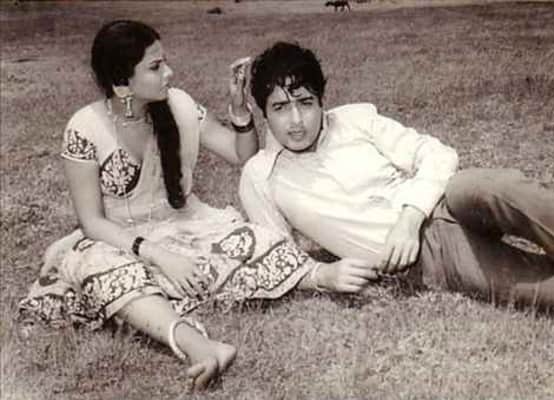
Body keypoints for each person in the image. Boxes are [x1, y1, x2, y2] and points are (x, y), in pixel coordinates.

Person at [17, 23, 378, 391]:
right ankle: (197, 345)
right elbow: (92, 222)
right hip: (116, 242)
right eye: (155, 67)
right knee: (97, 266)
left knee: (252, 239)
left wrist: (239, 111)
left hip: (186, 227)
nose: (169, 72)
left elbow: (242, 155)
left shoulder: (180, 106)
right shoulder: (84, 128)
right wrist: (160, 256)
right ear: (122, 81)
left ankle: (317, 276)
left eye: (164, 62)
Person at [239, 41, 554, 312]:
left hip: (444, 199)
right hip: (430, 257)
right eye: (280, 108)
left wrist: (409, 219)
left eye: (305, 102)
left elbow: (437, 153)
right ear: (264, 113)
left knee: (498, 188)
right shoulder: (261, 176)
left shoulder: (354, 121)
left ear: (321, 101)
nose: (296, 121)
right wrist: (323, 276)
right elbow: (275, 256)